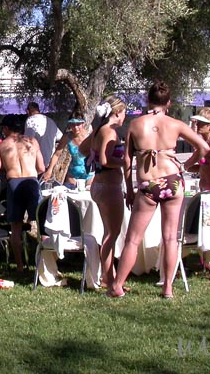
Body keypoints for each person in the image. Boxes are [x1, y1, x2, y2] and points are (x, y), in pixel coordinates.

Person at [108, 81, 209, 299]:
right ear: (169, 103)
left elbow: (127, 160)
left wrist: (129, 189)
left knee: (133, 239)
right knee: (171, 238)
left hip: (149, 183)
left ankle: (117, 285)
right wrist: (186, 164)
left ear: (147, 100)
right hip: (173, 181)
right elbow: (204, 147)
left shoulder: (135, 124)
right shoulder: (175, 124)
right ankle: (167, 288)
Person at [0, 114, 45, 272]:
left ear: (6, 129)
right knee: (41, 224)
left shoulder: (1, 146)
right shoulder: (32, 142)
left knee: (16, 227)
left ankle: (20, 266)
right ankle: (44, 265)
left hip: (14, 184)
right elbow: (41, 167)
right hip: (32, 182)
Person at [80, 96, 127, 289]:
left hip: (98, 185)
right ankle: (108, 278)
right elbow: (107, 161)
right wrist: (126, 161)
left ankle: (111, 275)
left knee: (109, 232)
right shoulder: (110, 132)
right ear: (117, 113)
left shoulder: (99, 131)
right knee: (112, 234)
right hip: (109, 186)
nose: (125, 117)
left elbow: (82, 148)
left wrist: (96, 154)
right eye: (124, 112)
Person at [183, 107, 210, 283]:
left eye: (201, 123)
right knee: (209, 231)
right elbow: (193, 166)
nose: (197, 124)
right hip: (206, 191)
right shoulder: (204, 143)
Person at [42, 117, 92, 189]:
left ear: (83, 124)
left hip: (89, 173)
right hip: (73, 173)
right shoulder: (67, 136)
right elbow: (57, 154)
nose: (75, 127)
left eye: (78, 124)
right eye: (73, 124)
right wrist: (49, 170)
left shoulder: (90, 135)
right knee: (70, 194)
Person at [24, 101, 62, 168]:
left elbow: (28, 141)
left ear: (27, 111)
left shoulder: (30, 120)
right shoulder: (50, 121)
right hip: (51, 163)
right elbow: (60, 137)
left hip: (37, 163)